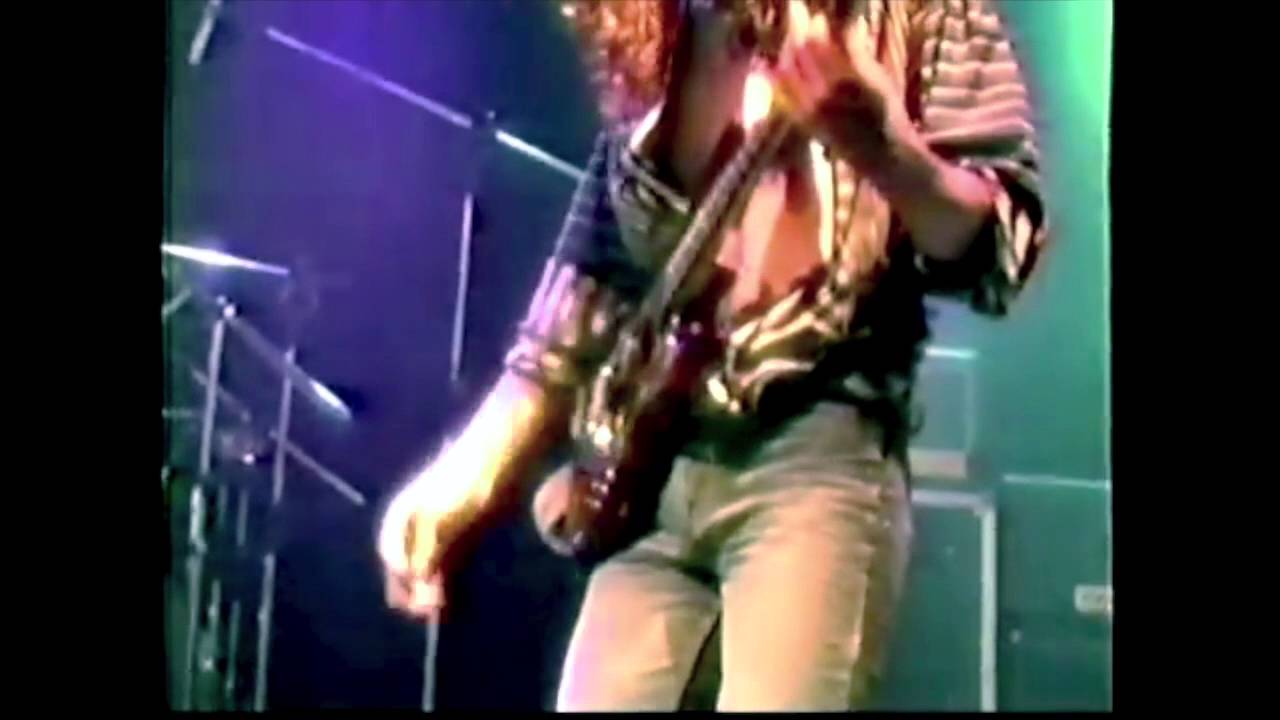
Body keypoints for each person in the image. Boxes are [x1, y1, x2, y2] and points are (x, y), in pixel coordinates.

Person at [378, 0, 1046, 710]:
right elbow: (590, 282)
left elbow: (999, 248)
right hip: (656, 469)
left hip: (814, 459)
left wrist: (887, 150)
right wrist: (462, 478)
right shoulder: (666, 26)